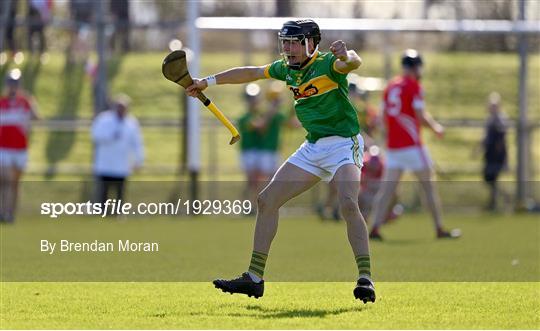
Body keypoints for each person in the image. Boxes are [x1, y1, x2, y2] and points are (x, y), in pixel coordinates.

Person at [186, 19, 375, 303]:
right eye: (284, 42)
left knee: (348, 203)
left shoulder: (328, 65)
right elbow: (250, 72)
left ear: (311, 44)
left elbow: (353, 64)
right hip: (312, 148)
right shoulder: (286, 69)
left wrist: (346, 54)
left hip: (343, 145)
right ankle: (254, 278)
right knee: (266, 200)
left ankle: (365, 279)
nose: (288, 49)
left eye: (294, 42)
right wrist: (206, 82)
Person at [369, 49, 460, 240]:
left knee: (386, 191)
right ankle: (439, 228)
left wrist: (387, 136)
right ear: (414, 67)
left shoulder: (391, 86)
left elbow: (381, 117)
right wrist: (435, 127)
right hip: (412, 146)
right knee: (428, 188)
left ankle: (375, 227)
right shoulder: (414, 86)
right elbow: (419, 116)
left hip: (394, 148)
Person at [91, 94, 144, 215]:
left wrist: (139, 160)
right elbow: (95, 135)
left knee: (120, 192)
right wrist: (110, 136)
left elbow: (137, 143)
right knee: (104, 191)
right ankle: (102, 213)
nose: (121, 110)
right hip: (105, 164)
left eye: (124, 107)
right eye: (119, 107)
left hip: (122, 164)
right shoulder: (104, 119)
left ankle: (119, 214)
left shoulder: (131, 123)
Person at [238, 83, 285, 213]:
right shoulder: (244, 118)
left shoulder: (261, 114)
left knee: (260, 181)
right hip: (249, 152)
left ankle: (257, 206)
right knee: (252, 182)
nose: (253, 101)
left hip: (258, 152)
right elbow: (260, 127)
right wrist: (273, 109)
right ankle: (247, 206)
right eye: (250, 98)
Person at [0, 69, 39, 222]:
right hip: (4, 148)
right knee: (6, 179)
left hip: (20, 149)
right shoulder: (2, 103)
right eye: (10, 83)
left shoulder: (25, 102)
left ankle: (10, 212)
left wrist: (31, 101)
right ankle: (3, 210)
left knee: (15, 183)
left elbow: (37, 118)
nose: (13, 87)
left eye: (15, 83)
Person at [482, 92, 508, 210]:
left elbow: (500, 137)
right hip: (489, 153)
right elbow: (486, 138)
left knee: (493, 177)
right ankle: (497, 200)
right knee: (488, 178)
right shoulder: (489, 119)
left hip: (496, 155)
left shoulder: (501, 119)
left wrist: (500, 154)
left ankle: (496, 202)